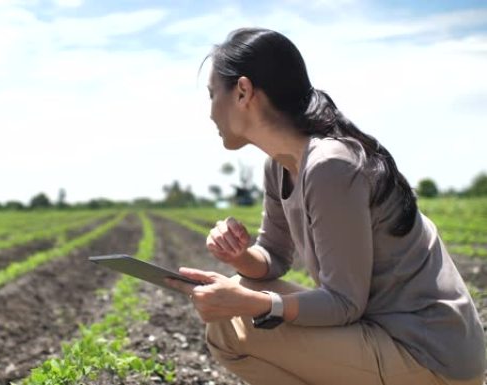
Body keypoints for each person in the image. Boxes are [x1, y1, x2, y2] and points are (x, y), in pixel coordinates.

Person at [165, 28, 485, 385]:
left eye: (212, 95)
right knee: (235, 303)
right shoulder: (280, 164)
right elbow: (273, 257)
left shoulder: (331, 165)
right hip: (382, 335)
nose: (210, 113)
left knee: (233, 325)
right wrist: (239, 256)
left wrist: (251, 304)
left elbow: (344, 304)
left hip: (427, 352)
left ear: (243, 92)